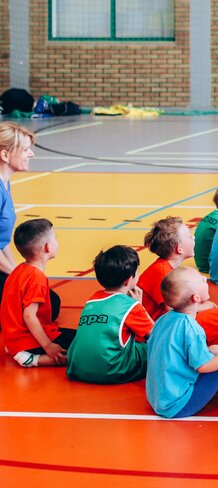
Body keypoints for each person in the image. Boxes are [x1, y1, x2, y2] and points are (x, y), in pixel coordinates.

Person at [145, 267, 218, 418]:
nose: (205, 279)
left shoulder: (164, 319)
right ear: (196, 298)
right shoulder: (191, 328)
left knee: (217, 352)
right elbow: (204, 366)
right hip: (178, 405)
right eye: (200, 279)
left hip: (158, 397)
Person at [66, 246, 155, 384]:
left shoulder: (91, 300)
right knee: (149, 349)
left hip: (77, 368)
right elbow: (155, 334)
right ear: (128, 280)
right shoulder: (130, 305)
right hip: (112, 370)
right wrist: (139, 306)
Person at [0, 123, 58, 318]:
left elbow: (2, 240)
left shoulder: (5, 183)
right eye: (25, 150)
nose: (31, 154)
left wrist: (18, 271)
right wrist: (17, 276)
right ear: (5, 155)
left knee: (48, 301)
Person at [1, 219, 74, 367]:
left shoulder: (19, 270)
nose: (57, 241)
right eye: (55, 238)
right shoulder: (36, 278)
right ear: (48, 247)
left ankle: (17, 349)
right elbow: (29, 315)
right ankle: (30, 357)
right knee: (80, 345)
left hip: (14, 337)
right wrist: (48, 346)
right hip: (26, 340)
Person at [139, 216, 199, 320]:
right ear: (179, 249)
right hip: (153, 326)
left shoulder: (164, 268)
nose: (193, 237)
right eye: (190, 237)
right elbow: (173, 312)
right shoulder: (163, 274)